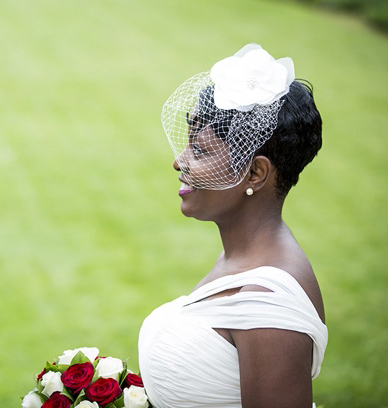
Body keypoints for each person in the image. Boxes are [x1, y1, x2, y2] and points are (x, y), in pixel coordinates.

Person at [138, 44, 328, 408]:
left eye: (201, 149)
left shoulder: (269, 304)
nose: (180, 162)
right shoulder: (241, 259)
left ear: (256, 172)